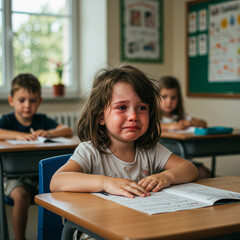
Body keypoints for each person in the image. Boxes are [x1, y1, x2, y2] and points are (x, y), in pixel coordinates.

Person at [50, 65, 198, 199]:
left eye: (141, 108)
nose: (133, 116)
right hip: (97, 226)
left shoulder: (150, 150)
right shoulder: (90, 151)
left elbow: (190, 168)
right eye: (121, 108)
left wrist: (167, 177)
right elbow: (57, 181)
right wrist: (106, 183)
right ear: (101, 116)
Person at [0, 73, 73, 240]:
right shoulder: (7, 120)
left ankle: (58, 235)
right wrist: (17, 135)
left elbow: (67, 131)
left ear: (39, 101)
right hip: (14, 180)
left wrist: (48, 132)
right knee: (20, 196)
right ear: (11, 101)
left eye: (33, 101)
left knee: (66, 190)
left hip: (40, 178)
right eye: (22, 100)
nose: (27, 105)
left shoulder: (41, 120)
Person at [157, 76, 211, 178]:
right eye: (164, 97)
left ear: (178, 99)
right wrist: (172, 126)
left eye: (173, 98)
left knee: (204, 173)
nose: (169, 102)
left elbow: (203, 123)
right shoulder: (153, 117)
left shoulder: (180, 117)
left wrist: (188, 123)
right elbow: (153, 127)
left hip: (182, 157)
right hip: (162, 160)